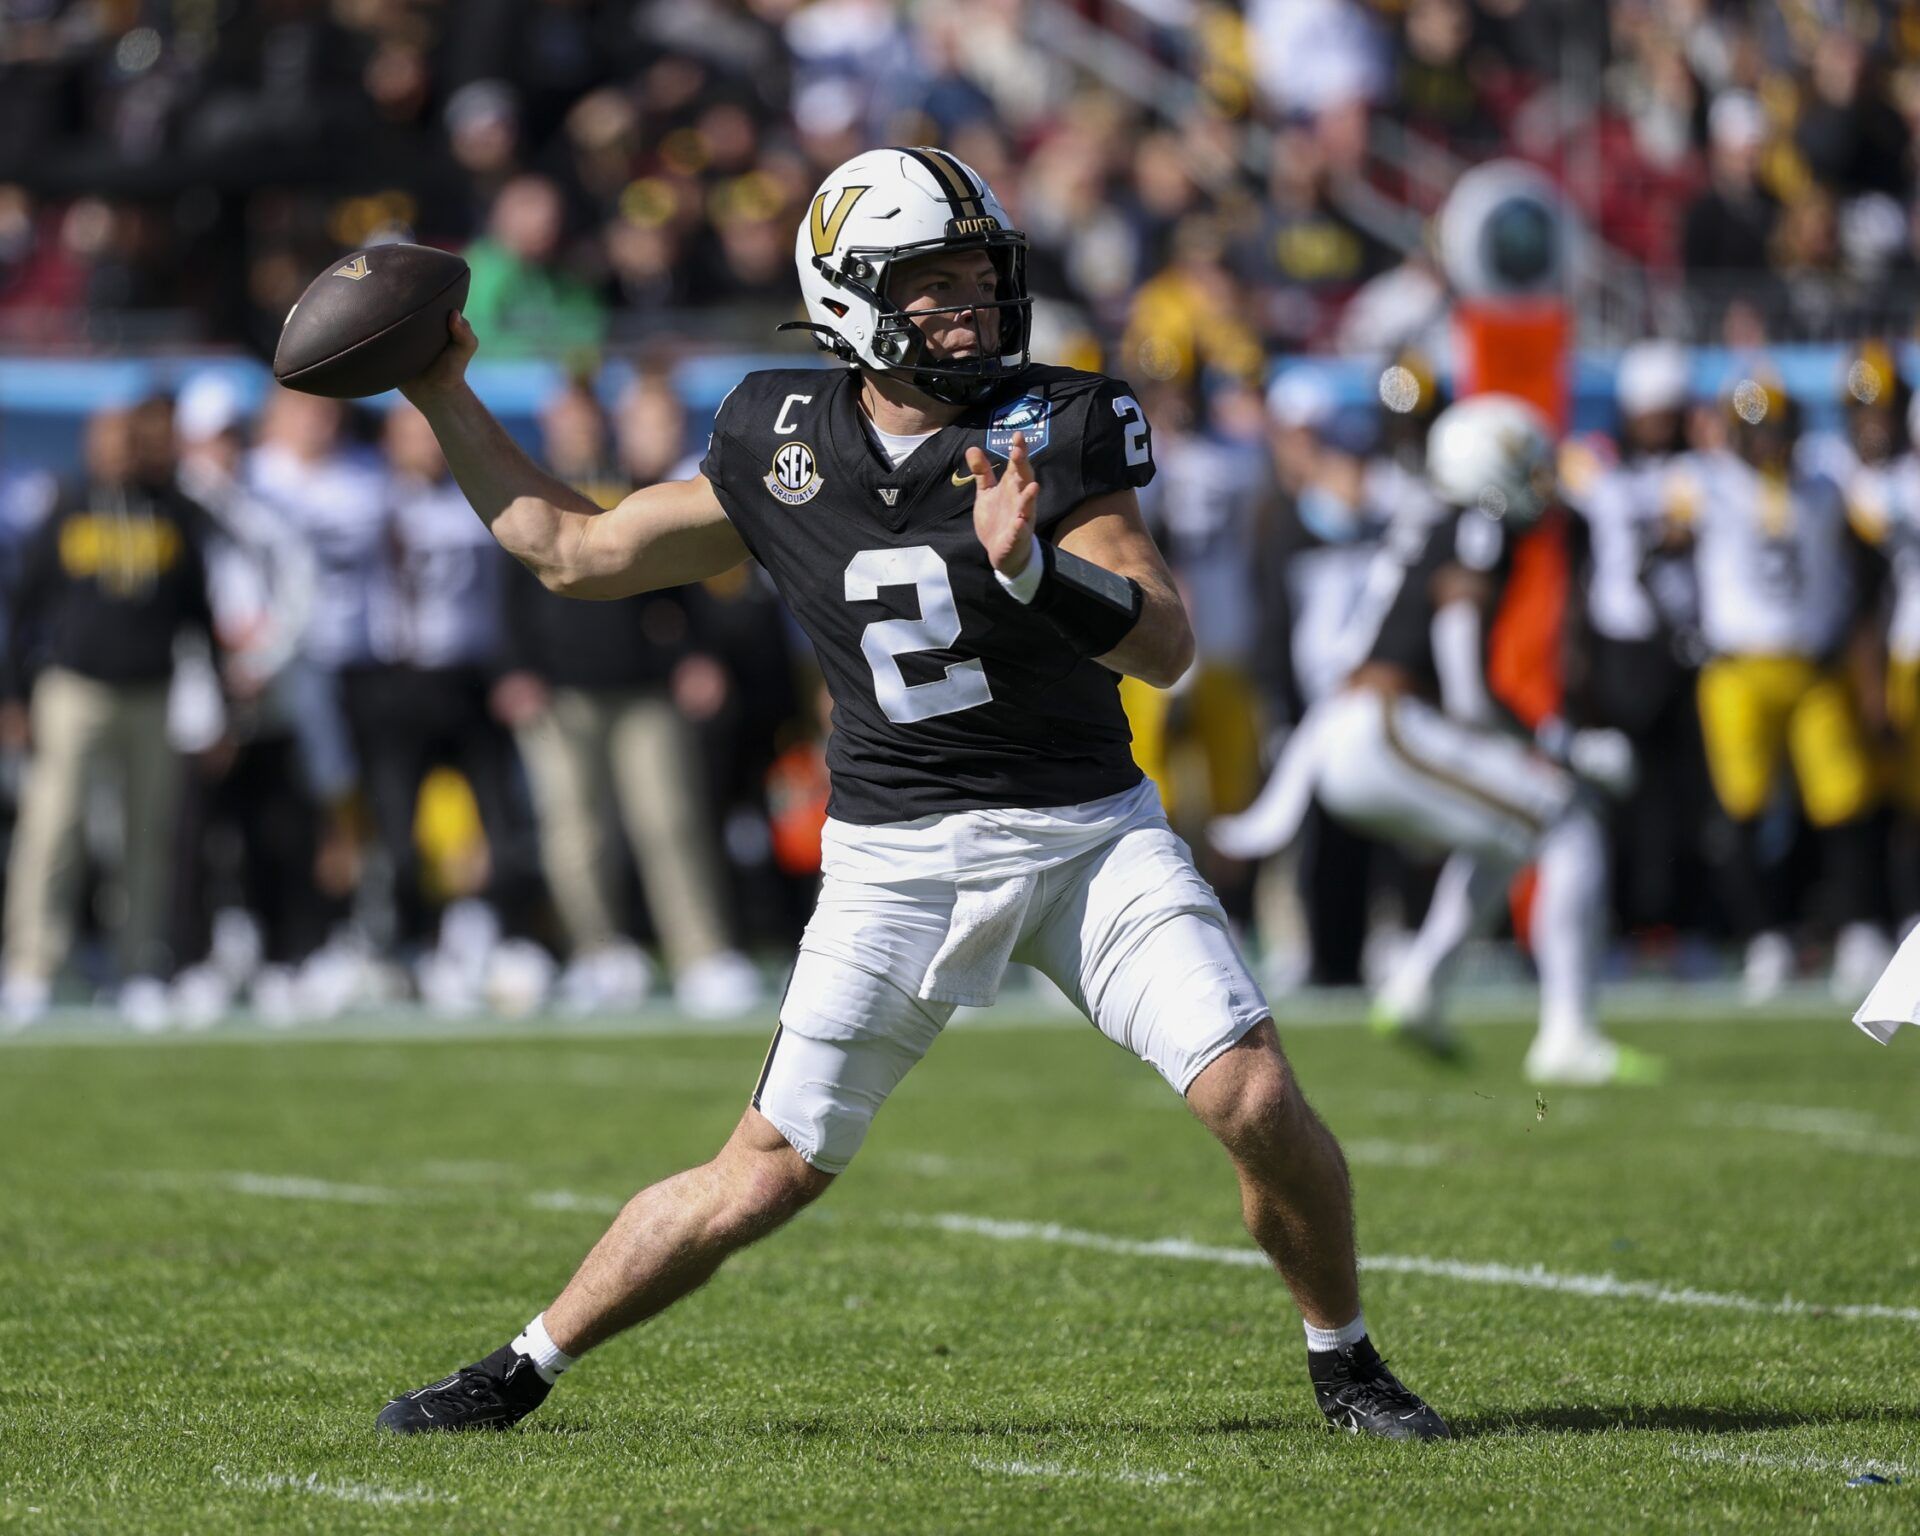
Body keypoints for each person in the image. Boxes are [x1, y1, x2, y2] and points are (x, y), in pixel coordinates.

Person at [373, 146, 1447, 1441]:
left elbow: (1166, 645)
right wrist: (444, 394)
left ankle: (1347, 1364)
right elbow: (575, 550)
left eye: (981, 277)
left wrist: (1040, 572)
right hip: (897, 859)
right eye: (933, 286)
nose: (972, 310)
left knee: (1255, 1096)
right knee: (763, 1172)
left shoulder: (1054, 423)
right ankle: (521, 1367)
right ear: (848, 302)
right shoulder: (781, 434)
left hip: (1085, 840)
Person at [1212, 394, 1659, 1086]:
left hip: (1361, 724)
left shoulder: (1437, 517)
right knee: (1567, 817)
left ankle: (1420, 987)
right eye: (1527, 465)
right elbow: (1468, 690)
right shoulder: (1475, 526)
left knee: (1510, 826)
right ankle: (1567, 1034)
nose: (1541, 481)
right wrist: (1565, 747)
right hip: (1382, 724)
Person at [496, 377, 761, 1016]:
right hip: (559, 694)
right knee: (575, 833)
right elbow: (507, 594)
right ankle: (598, 951)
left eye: (587, 419)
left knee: (670, 822)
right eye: (567, 419)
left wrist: (696, 655)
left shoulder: (638, 484)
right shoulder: (525, 491)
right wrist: (514, 669)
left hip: (645, 687)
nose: (578, 431)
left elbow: (681, 576)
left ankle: (701, 955)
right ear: (550, 423)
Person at [0, 395, 214, 1028]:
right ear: (92, 444)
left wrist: (220, 699)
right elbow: (24, 609)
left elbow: (197, 611)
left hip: (153, 692)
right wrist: (13, 696)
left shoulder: (170, 512)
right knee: (52, 827)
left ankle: (137, 966)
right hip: (73, 689)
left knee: (147, 835)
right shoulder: (65, 508)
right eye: (111, 438)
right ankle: (32, 966)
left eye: (130, 438)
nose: (122, 450)